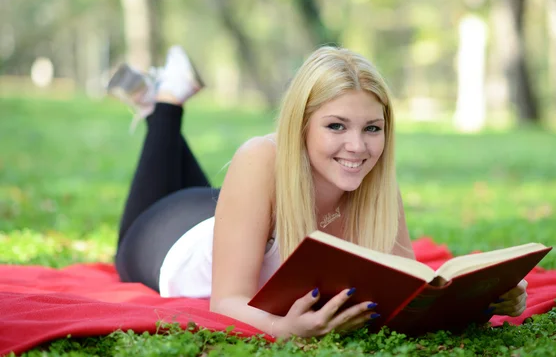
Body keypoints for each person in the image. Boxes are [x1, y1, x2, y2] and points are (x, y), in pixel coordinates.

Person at [109, 45, 528, 339]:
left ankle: (152, 100)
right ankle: (163, 101)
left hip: (237, 211)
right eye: (336, 126)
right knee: (130, 234)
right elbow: (227, 301)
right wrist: (280, 329)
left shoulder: (375, 179)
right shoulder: (259, 157)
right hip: (166, 238)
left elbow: (408, 294)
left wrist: (485, 300)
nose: (358, 147)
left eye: (372, 128)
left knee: (227, 197)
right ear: (301, 125)